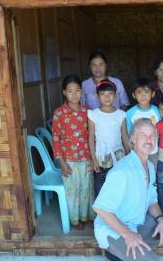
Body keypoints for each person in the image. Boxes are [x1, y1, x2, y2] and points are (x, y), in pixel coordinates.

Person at [93, 118, 163, 261]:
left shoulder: (149, 166)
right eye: (144, 135)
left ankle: (132, 250)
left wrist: (161, 220)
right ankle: (117, 249)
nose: (149, 140)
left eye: (152, 136)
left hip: (135, 223)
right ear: (132, 139)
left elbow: (151, 200)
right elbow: (101, 208)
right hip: (115, 230)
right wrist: (127, 234)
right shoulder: (123, 171)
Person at [52, 75, 96, 230]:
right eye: (70, 91)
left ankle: (86, 216)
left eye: (77, 90)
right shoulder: (59, 114)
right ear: (64, 92)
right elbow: (56, 139)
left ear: (81, 92)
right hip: (68, 160)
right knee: (72, 191)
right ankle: (75, 220)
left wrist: (93, 159)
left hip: (86, 157)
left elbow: (93, 136)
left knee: (86, 189)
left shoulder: (88, 112)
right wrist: (61, 163)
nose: (74, 94)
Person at [88, 79, 131, 197]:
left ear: (116, 96)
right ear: (97, 97)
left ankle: (117, 211)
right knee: (101, 186)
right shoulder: (93, 114)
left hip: (119, 155)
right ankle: (102, 213)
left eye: (110, 94)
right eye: (103, 94)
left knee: (118, 184)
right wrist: (93, 159)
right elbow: (91, 138)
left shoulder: (121, 115)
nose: (107, 97)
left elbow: (125, 137)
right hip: (101, 155)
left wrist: (129, 155)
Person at [126, 77, 161, 168]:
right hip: (137, 152)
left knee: (152, 173)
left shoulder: (156, 111)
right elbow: (129, 134)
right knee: (139, 174)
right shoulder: (130, 113)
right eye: (139, 92)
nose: (143, 96)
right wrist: (130, 150)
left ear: (152, 94)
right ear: (134, 95)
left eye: (146, 92)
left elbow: (160, 131)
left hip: (153, 151)